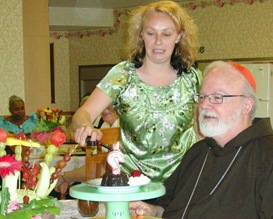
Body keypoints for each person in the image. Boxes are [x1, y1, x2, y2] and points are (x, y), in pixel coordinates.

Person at [129, 61, 273, 218]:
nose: (205, 105)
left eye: (217, 97)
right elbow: (170, 204)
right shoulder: (197, 152)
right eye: (202, 97)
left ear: (247, 105)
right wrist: (154, 210)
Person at [70, 0, 202, 183]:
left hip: (184, 183)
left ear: (179, 36)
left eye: (166, 34)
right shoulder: (122, 75)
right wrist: (85, 126)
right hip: (132, 183)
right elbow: (82, 114)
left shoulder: (193, 78)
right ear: (141, 34)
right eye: (150, 33)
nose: (158, 41)